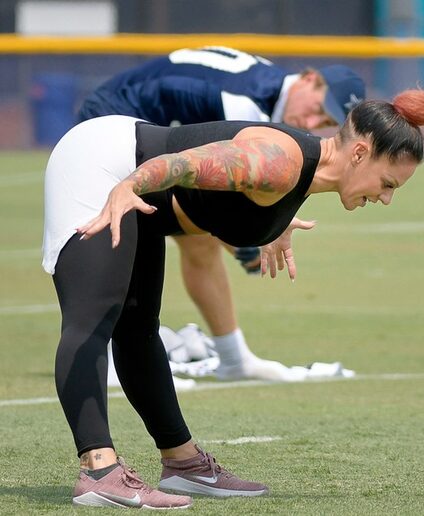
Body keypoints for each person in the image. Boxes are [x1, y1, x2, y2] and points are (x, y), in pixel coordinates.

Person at [43, 89, 424, 508]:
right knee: (94, 318)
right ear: (359, 153)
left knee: (138, 329)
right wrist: (127, 188)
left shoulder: (303, 174)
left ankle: (182, 463)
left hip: (137, 179)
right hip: (103, 165)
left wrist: (276, 225)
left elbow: (244, 193)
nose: (386, 197)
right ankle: (99, 470)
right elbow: (179, 165)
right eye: (388, 182)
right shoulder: (277, 163)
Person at [77, 46, 366, 382]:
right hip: (111, 119)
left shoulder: (271, 95)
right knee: (126, 227)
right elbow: (217, 188)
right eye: (317, 109)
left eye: (326, 122)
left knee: (196, 238)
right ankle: (108, 359)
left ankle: (233, 357)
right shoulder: (245, 104)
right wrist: (255, 241)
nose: (313, 123)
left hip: (146, 125)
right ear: (310, 80)